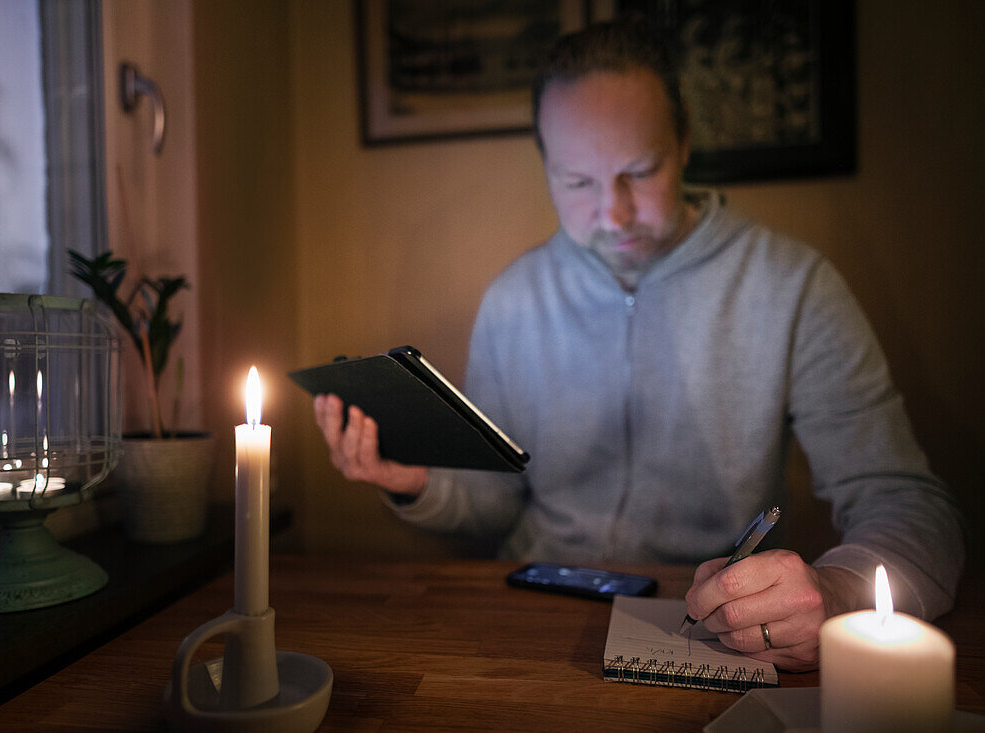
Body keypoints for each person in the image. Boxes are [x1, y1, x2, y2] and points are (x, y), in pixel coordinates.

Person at [311, 19, 964, 672]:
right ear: (546, 166)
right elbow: (498, 496)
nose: (614, 213)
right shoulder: (515, 296)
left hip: (710, 625)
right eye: (577, 182)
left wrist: (841, 589)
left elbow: (910, 505)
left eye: (639, 171)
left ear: (683, 143)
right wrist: (417, 479)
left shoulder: (793, 286)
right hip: (528, 618)